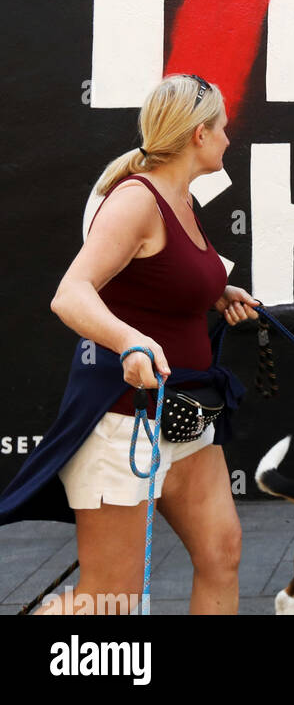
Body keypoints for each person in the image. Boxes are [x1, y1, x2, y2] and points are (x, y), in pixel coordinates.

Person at [0, 73, 258, 615]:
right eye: (223, 129)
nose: (229, 139)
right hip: (124, 420)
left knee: (223, 553)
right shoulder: (136, 200)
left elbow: (162, 276)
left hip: (185, 412)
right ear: (198, 136)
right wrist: (130, 342)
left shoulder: (183, 198)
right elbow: (70, 295)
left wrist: (216, 292)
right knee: (109, 600)